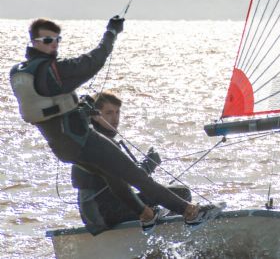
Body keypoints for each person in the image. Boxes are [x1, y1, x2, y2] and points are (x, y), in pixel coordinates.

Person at [9, 18, 222, 233]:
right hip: (82, 139)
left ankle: (145, 214)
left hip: (63, 148)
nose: (53, 44)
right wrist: (111, 32)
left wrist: (79, 108)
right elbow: (94, 60)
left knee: (112, 175)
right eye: (47, 40)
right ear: (34, 42)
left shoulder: (21, 72)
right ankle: (190, 212)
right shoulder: (54, 70)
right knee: (135, 175)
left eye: (57, 39)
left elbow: (50, 107)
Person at [72, 91, 192, 234]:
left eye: (117, 112)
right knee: (182, 193)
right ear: (96, 116)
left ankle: (162, 234)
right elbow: (130, 178)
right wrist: (149, 164)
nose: (115, 118)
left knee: (165, 200)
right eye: (109, 113)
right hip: (104, 213)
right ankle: (171, 238)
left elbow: (121, 179)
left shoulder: (91, 139)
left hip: (96, 212)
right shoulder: (101, 143)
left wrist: (146, 166)